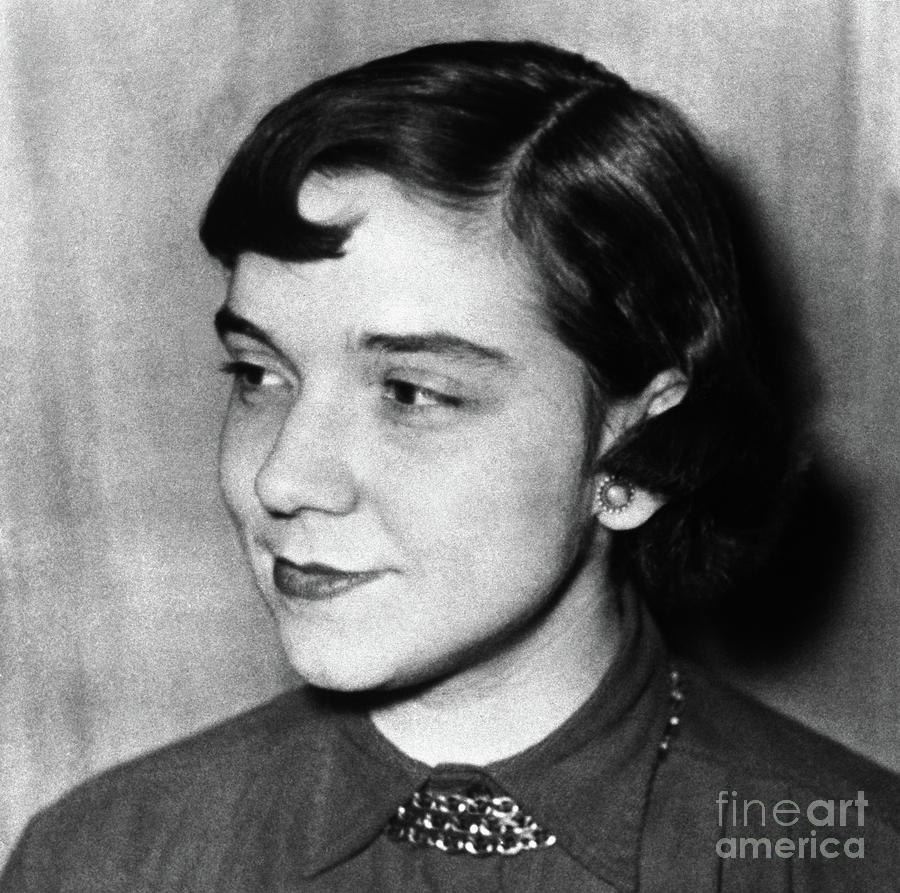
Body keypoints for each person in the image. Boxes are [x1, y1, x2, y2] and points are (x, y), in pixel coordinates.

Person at [2, 39, 898, 893]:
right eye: (258, 374)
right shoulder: (106, 858)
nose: (283, 478)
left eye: (410, 393)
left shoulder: (845, 854)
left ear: (636, 458)